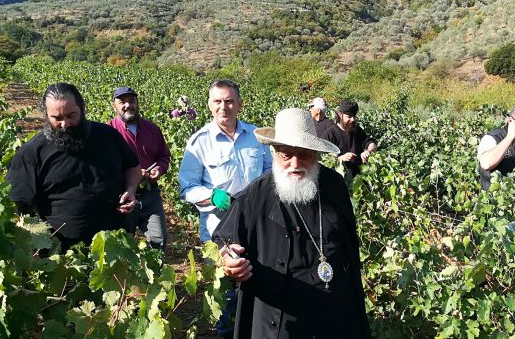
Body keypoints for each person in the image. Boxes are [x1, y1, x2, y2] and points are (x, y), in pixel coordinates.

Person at [215, 108, 371, 338]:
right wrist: (229, 259)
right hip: (281, 320)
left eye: (304, 154)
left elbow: (349, 245)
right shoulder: (255, 195)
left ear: (316, 153)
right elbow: (225, 240)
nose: (295, 163)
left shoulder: (335, 186)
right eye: (286, 154)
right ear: (274, 152)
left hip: (335, 314)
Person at [178, 78, 271, 338]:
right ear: (209, 105)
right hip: (219, 230)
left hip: (257, 226)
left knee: (257, 283)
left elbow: (269, 174)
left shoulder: (256, 137)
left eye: (229, 101)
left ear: (239, 104)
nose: (223, 106)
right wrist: (212, 195)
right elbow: (187, 188)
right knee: (228, 291)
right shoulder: (199, 142)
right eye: (217, 101)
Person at [6, 83, 141, 251]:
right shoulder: (32, 153)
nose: (65, 124)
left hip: (113, 246)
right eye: (57, 118)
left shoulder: (108, 136)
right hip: (60, 256)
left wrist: (130, 189)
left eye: (71, 115)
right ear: (46, 116)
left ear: (82, 108)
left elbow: (133, 166)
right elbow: (18, 203)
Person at [108, 86, 171, 250]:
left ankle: (154, 274)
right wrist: (133, 175)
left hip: (150, 195)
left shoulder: (152, 129)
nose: (128, 105)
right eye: (122, 102)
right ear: (113, 105)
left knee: (159, 241)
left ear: (137, 103)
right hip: (122, 198)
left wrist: (159, 169)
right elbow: (103, 166)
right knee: (120, 245)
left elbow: (164, 156)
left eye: (131, 101)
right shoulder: (108, 132)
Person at [322, 99, 378, 177]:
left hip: (360, 178)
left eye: (354, 116)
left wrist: (368, 151)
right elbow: (323, 160)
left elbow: (371, 143)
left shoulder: (358, 130)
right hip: (339, 179)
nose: (353, 119)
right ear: (340, 115)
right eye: (349, 116)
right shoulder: (329, 134)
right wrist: (340, 159)